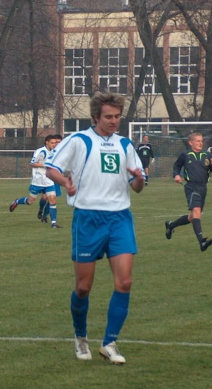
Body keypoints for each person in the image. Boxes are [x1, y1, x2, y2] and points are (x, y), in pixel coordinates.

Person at [45, 91, 145, 364]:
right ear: (95, 117)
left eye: (117, 117)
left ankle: (110, 343)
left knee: (124, 282)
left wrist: (138, 177)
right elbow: (50, 169)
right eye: (109, 117)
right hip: (88, 219)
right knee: (83, 287)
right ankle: (80, 337)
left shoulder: (125, 144)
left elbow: (137, 187)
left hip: (120, 218)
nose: (114, 121)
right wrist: (65, 182)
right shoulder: (78, 140)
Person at [164, 132, 212, 252]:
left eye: (201, 141)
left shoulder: (207, 155)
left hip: (203, 187)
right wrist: (177, 175)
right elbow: (177, 166)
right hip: (191, 187)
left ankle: (171, 225)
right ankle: (202, 241)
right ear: (191, 143)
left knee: (192, 217)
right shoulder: (185, 154)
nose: (200, 143)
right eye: (198, 141)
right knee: (196, 212)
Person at [10, 134, 62, 228]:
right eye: (52, 143)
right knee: (30, 201)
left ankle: (54, 223)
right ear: (47, 142)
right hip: (38, 181)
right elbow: (32, 163)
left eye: (55, 143)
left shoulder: (55, 152)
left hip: (49, 181)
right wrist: (45, 165)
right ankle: (17, 201)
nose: (54, 144)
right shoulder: (40, 151)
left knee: (52, 199)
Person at [37, 134, 64, 223]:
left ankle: (44, 217)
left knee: (52, 198)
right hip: (46, 177)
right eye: (55, 142)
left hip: (55, 178)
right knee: (44, 198)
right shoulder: (47, 151)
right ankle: (41, 209)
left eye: (59, 142)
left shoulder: (61, 152)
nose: (57, 144)